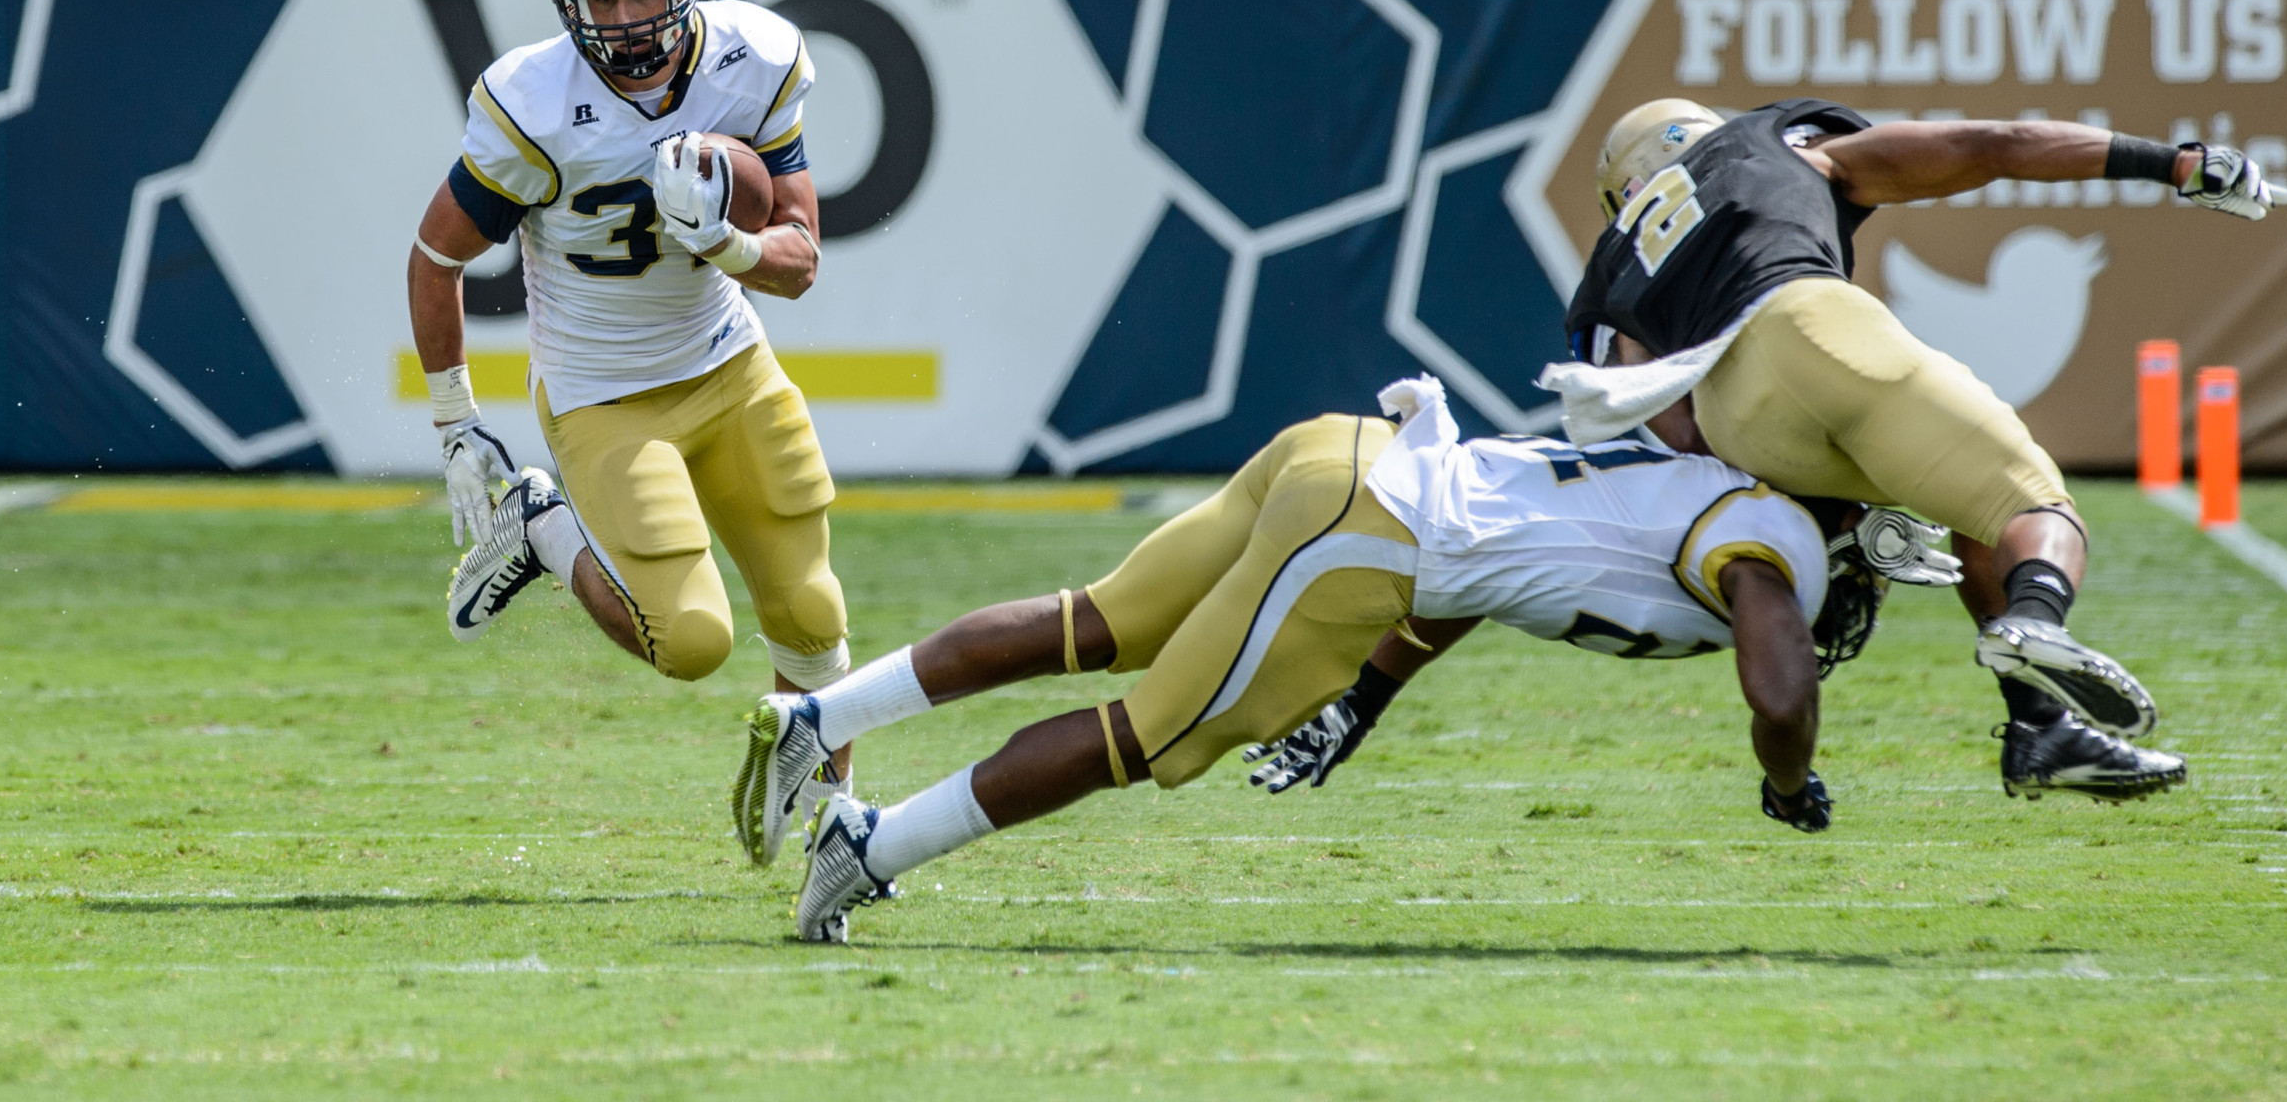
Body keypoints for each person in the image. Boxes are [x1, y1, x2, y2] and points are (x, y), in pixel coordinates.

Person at [753, 377, 1904, 944]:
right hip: (1373, 528)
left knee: (1096, 619)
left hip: (1352, 450)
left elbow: (1497, 577)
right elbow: (1777, 679)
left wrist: (1369, 691)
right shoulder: (1778, 539)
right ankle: (873, 840)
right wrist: (1789, 777)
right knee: (1146, 735)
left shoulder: (1713, 487)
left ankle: (819, 717)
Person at [1551, 101, 2287, 801]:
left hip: (1737, 419)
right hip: (1814, 324)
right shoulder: (1775, 147)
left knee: (1960, 501)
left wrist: (1824, 516)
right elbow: (1996, 146)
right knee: (2029, 503)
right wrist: (2174, 165)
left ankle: (2043, 731)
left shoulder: (1613, 267)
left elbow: (1674, 432)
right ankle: (2034, 619)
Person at [410, 0, 855, 849]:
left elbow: (799, 258)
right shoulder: (532, 100)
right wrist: (455, 425)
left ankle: (829, 822)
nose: (623, 18)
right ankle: (539, 526)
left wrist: (727, 245)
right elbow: (435, 256)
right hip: (603, 390)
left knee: (812, 607)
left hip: (727, 360)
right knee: (692, 642)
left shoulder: (753, 57)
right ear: (570, 6)